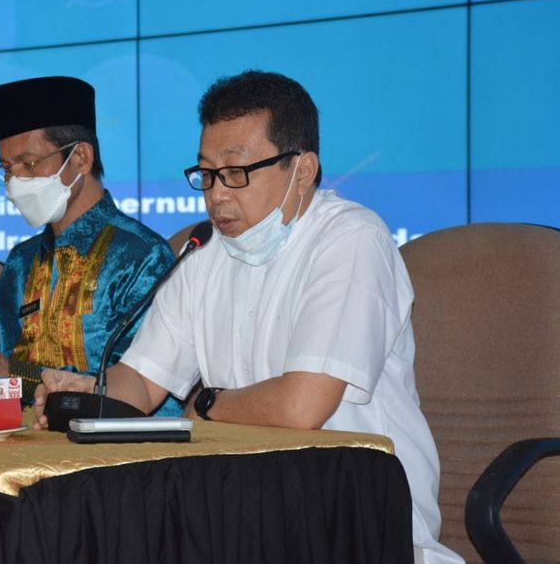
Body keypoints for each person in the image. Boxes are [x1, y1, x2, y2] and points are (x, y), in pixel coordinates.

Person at [32, 71, 462, 563]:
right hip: (243, 515)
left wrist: (209, 403)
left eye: (236, 172)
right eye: (206, 175)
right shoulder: (203, 253)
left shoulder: (352, 239)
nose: (217, 195)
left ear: (302, 169)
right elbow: (144, 383)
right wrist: (92, 395)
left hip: (358, 521)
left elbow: (302, 407)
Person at [0, 76, 181, 416]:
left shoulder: (141, 257)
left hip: (110, 456)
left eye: (29, 164)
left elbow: (145, 390)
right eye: (6, 169)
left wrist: (13, 374)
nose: (14, 183)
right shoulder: (21, 262)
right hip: (17, 442)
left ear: (80, 157)